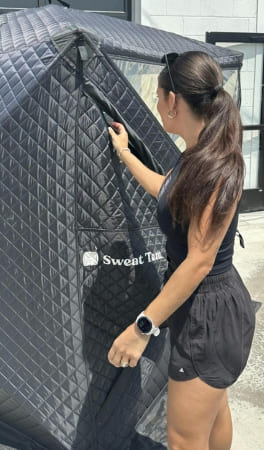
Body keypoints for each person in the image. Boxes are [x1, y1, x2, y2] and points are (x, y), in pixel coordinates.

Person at [107, 51, 256, 450]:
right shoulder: (199, 154)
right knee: (212, 411)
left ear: (174, 100)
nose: (155, 104)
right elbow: (167, 191)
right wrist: (125, 154)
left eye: (157, 96)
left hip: (209, 315)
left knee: (183, 439)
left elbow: (198, 262)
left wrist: (141, 329)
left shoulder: (217, 167)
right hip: (210, 309)